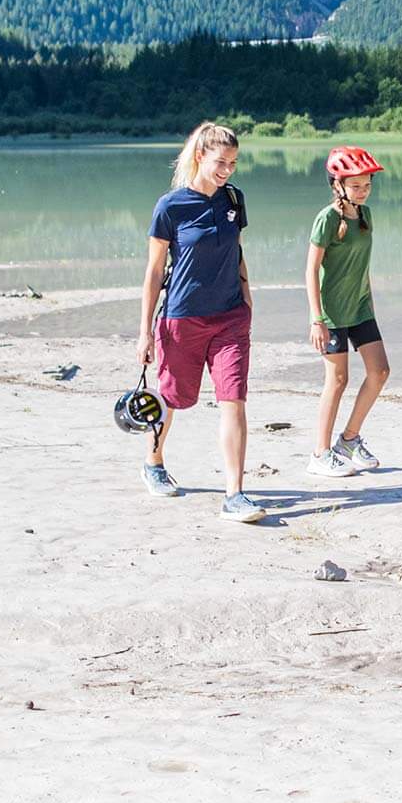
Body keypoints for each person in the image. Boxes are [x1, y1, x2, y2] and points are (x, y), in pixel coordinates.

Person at [137, 121, 265, 522]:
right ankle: (154, 462)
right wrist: (144, 333)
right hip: (182, 320)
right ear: (199, 157)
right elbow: (154, 273)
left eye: (233, 162)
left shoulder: (233, 200)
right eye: (220, 162)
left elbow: (236, 250)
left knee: (234, 401)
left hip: (229, 319)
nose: (227, 169)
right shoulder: (170, 207)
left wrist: (246, 296)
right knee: (172, 398)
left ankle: (235, 494)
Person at [306, 145, 391, 478]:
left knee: (380, 372)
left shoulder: (365, 215)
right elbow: (311, 269)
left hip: (360, 309)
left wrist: (369, 300)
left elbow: (362, 265)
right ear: (337, 184)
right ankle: (319, 454)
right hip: (331, 314)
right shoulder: (327, 218)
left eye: (367, 185)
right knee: (337, 381)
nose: (363, 191)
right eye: (356, 185)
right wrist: (316, 319)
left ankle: (349, 440)